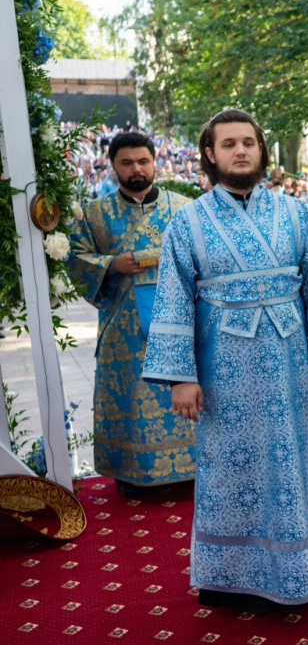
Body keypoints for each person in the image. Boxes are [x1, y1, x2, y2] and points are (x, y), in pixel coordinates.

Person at [141, 109, 308, 612]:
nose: (240, 151)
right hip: (223, 372)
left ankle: (300, 568)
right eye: (229, 144)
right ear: (210, 155)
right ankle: (227, 578)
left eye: (248, 143)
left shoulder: (294, 215)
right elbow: (173, 299)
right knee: (227, 467)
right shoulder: (187, 222)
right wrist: (180, 377)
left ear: (261, 151)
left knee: (293, 459)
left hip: (286, 367)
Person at [67, 131, 195, 496]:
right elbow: (74, 258)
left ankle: (192, 470)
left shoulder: (184, 208)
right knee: (133, 398)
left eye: (143, 161)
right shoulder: (95, 213)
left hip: (178, 322)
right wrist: (111, 264)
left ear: (155, 162)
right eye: (126, 163)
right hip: (123, 327)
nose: (136, 169)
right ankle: (132, 476)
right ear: (113, 166)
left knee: (181, 391)